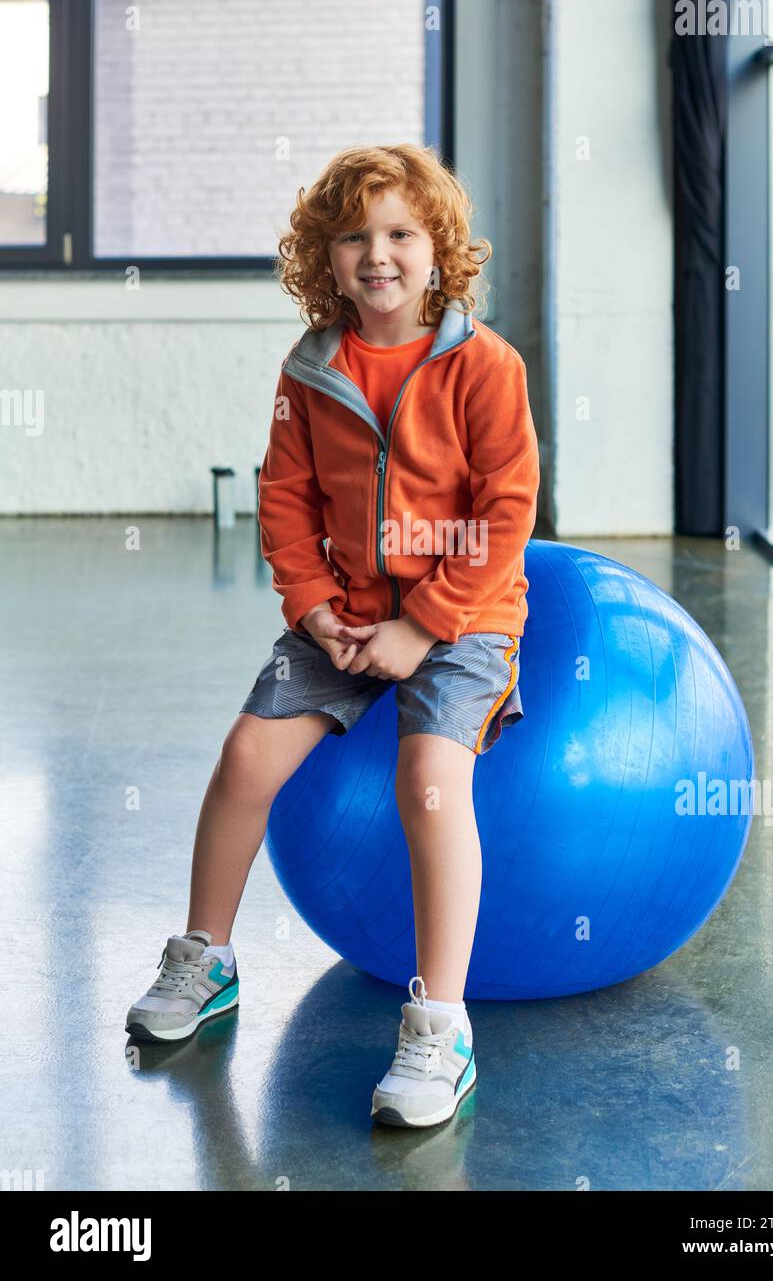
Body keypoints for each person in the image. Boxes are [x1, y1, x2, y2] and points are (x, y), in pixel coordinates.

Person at [126, 143, 541, 1131]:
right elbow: (284, 497)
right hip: (343, 615)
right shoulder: (310, 369)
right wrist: (312, 605)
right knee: (244, 755)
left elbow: (506, 514)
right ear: (325, 259)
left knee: (427, 781)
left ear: (438, 251)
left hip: (463, 618)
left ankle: (441, 1026)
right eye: (353, 237)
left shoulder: (486, 366)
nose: (378, 255)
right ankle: (206, 958)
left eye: (400, 234)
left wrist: (421, 626)